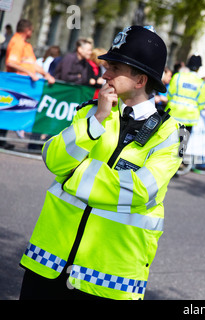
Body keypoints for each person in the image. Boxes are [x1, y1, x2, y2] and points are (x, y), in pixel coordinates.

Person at [19, 25, 184, 300]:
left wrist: (73, 174)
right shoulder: (91, 112)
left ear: (140, 80)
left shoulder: (171, 136)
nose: (105, 73)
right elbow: (53, 158)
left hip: (108, 279)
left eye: (115, 68)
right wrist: (96, 122)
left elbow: (138, 191)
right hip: (48, 264)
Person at [3, 19, 55, 150]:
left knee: (16, 112)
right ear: (28, 30)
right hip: (16, 84)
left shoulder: (26, 45)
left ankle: (3, 139)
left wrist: (45, 74)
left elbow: (33, 64)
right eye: (31, 30)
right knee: (8, 109)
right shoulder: (17, 42)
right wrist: (30, 74)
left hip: (25, 87)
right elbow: (11, 62)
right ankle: (2, 138)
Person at [166, 54, 205, 133]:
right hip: (189, 120)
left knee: (167, 143)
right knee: (182, 145)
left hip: (172, 116)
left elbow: (169, 95)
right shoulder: (202, 83)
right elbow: (201, 104)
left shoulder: (177, 77)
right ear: (199, 68)